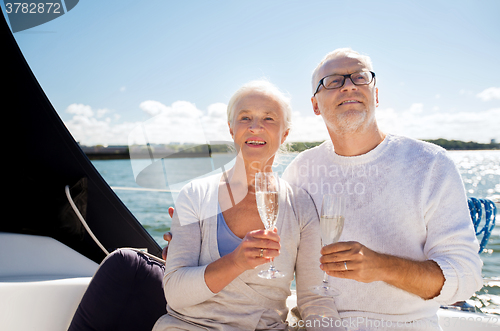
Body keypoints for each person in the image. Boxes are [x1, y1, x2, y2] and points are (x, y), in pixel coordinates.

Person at [281, 48, 483, 330]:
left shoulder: (430, 164)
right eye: (333, 81)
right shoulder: (300, 171)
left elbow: (465, 278)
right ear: (315, 105)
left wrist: (382, 267)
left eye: (360, 77)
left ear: (375, 94)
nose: (349, 85)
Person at [153, 80, 342, 331]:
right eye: (245, 118)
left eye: (269, 119)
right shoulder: (195, 195)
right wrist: (237, 261)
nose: (255, 127)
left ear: (284, 133)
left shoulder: (300, 205)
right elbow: (175, 293)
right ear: (231, 129)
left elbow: (315, 298)